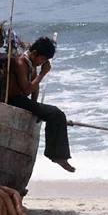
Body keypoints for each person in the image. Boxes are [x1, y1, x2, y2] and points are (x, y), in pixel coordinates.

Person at [7, 36, 75, 173]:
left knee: (57, 115)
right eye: (42, 59)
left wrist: (35, 107)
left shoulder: (30, 62)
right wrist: (43, 74)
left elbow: (35, 87)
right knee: (55, 113)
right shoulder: (21, 63)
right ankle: (58, 156)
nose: (42, 62)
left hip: (23, 100)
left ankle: (58, 155)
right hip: (15, 99)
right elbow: (27, 89)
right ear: (35, 53)